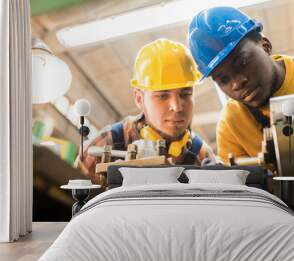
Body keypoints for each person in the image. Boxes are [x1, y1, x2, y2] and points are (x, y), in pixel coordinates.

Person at [188, 6, 294, 163]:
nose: (237, 83)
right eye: (223, 80)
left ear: (265, 46)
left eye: (242, 62)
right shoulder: (232, 126)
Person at [76, 39, 215, 184]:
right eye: (163, 95)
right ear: (139, 99)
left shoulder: (203, 155)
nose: (177, 107)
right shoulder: (102, 146)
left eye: (185, 94)